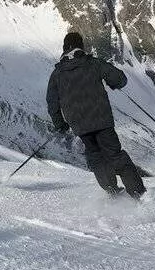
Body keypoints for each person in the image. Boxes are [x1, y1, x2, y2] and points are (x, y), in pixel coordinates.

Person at [46, 32, 146, 199]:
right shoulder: (92, 63)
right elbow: (120, 79)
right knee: (115, 154)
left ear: (64, 48)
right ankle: (137, 193)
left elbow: (52, 102)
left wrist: (60, 124)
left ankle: (112, 192)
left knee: (96, 157)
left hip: (80, 126)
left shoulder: (57, 74)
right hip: (102, 121)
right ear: (81, 46)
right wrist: (113, 83)